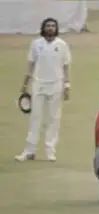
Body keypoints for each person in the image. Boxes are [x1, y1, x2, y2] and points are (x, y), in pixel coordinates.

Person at [15, 18, 71, 162]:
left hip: (56, 85)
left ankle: (50, 151)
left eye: (53, 26)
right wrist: (25, 84)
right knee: (35, 118)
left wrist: (67, 85)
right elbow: (30, 65)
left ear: (56, 28)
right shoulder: (36, 44)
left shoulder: (62, 45)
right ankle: (29, 152)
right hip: (38, 84)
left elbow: (66, 66)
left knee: (53, 119)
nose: (50, 28)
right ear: (43, 28)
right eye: (48, 26)